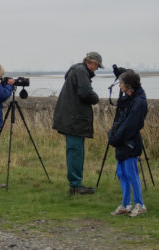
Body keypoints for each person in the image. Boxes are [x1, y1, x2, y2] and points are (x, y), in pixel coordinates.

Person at [52, 52, 103, 195]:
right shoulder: (81, 71)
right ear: (91, 62)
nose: (97, 69)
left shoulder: (77, 70)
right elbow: (86, 92)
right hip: (74, 120)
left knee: (74, 151)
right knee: (75, 152)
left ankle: (76, 184)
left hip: (70, 118)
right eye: (97, 66)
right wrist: (96, 98)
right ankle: (75, 185)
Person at [108, 70, 148, 217]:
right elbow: (120, 120)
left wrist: (116, 137)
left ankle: (140, 204)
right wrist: (112, 133)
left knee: (131, 173)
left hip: (130, 142)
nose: (119, 85)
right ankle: (126, 204)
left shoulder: (139, 102)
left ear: (128, 85)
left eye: (121, 83)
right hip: (121, 141)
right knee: (121, 173)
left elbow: (131, 124)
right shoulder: (128, 98)